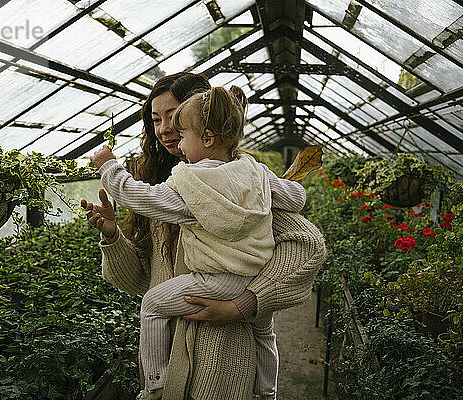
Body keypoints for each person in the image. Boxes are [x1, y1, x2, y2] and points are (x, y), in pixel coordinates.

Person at [81, 72, 326, 400]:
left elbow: (307, 247)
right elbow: (141, 281)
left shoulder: (239, 182)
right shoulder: (162, 183)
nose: (166, 128)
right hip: (172, 363)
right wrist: (112, 236)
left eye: (174, 116)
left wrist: (244, 304)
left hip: (223, 364)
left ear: (205, 123)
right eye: (156, 119)